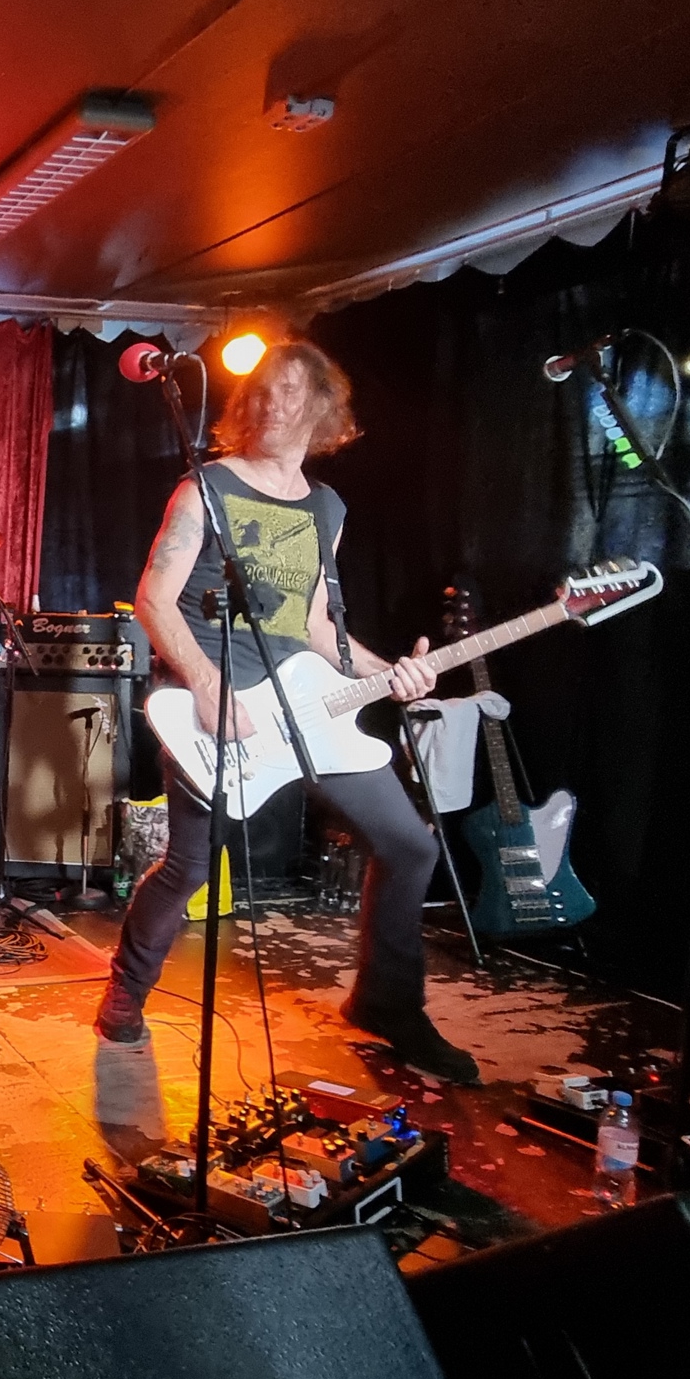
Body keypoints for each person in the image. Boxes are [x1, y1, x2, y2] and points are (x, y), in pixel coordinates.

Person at [96, 341, 479, 1085]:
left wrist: (390, 671)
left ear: (323, 409)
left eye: (291, 392)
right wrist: (207, 685)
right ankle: (126, 990)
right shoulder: (207, 487)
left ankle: (387, 1003)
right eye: (262, 392)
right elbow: (153, 598)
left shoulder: (325, 507)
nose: (272, 404)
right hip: (217, 705)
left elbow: (313, 627)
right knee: (189, 867)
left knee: (409, 846)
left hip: (304, 699)